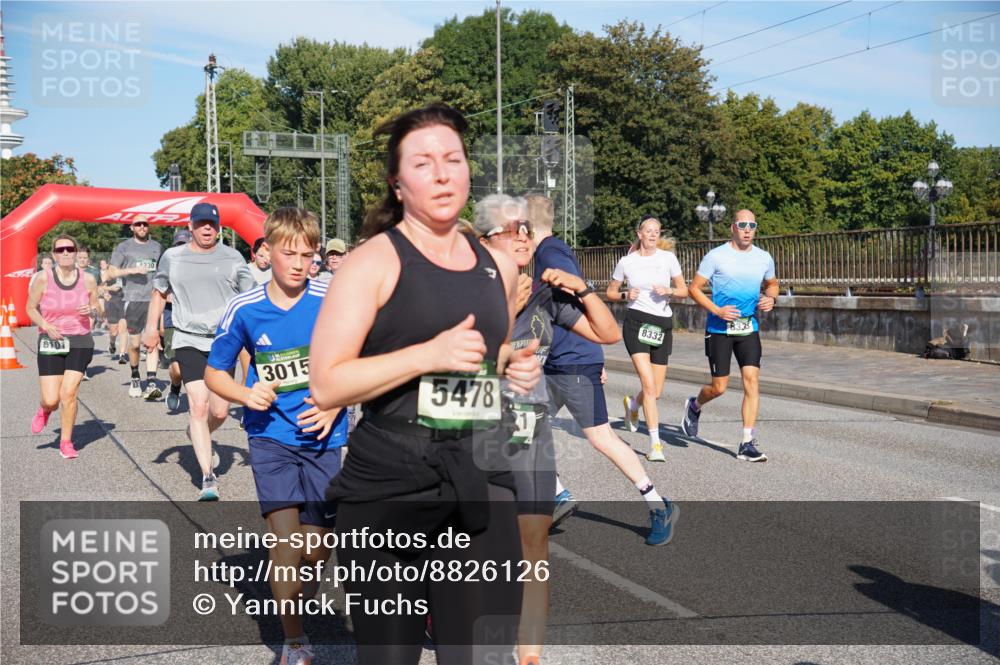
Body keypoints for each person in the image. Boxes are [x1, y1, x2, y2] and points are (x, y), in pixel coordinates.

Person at [309, 104, 540, 665]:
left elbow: (483, 355)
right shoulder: (371, 263)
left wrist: (508, 363)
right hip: (391, 482)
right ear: (397, 182)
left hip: (480, 471)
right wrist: (426, 355)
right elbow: (327, 383)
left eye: (452, 159)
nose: (441, 174)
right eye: (423, 163)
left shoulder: (500, 266)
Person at [474, 193, 621, 665]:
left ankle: (529, 657)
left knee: (534, 546)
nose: (523, 237)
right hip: (476, 433)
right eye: (511, 230)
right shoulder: (465, 293)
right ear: (484, 242)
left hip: (530, 431)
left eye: (526, 230)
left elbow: (608, 334)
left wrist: (583, 288)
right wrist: (503, 312)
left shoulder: (545, 293)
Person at [206, 207, 348, 665]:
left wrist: (335, 404)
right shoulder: (245, 308)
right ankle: (295, 641)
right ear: (267, 252)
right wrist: (245, 394)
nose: (300, 264)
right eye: (290, 254)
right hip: (270, 438)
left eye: (308, 255)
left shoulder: (332, 297)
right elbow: (214, 373)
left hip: (324, 439)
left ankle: (296, 600)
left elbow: (359, 361)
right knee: (286, 544)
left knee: (317, 550)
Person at [528, 194, 678, 545]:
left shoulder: (550, 252)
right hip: (557, 362)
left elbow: (579, 296)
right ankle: (555, 494)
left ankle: (659, 506)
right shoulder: (547, 251)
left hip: (573, 362)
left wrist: (593, 353)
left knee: (601, 438)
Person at [142, 203, 255, 500]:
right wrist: (151, 327)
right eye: (202, 223)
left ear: (219, 228)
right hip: (188, 339)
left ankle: (197, 432)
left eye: (212, 224)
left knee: (219, 411)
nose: (207, 228)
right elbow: (159, 293)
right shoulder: (173, 257)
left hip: (223, 341)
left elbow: (251, 297)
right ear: (190, 226)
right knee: (199, 407)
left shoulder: (232, 257)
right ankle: (208, 478)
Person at [682, 209, 779, 462]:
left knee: (752, 381)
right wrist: (717, 310)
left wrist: (771, 298)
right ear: (733, 228)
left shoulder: (763, 257)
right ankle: (694, 405)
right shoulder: (716, 256)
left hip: (748, 328)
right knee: (719, 387)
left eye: (752, 225)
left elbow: (772, 284)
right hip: (719, 329)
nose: (747, 230)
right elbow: (694, 289)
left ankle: (747, 443)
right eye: (742, 225)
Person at [606, 216, 688, 462]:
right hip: (636, 323)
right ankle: (655, 445)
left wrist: (670, 290)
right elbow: (610, 292)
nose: (653, 234)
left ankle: (633, 405)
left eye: (657, 231)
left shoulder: (668, 259)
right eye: (648, 231)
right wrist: (625, 295)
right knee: (649, 386)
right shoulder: (627, 262)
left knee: (656, 391)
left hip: (662, 325)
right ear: (639, 234)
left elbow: (684, 290)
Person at [25, 234, 99, 459]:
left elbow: (98, 308)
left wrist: (92, 310)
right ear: (53, 254)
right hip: (52, 338)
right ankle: (45, 409)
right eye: (60, 250)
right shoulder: (43, 278)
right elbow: (30, 308)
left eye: (69, 249)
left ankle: (66, 442)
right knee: (51, 399)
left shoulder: (88, 279)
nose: (65, 253)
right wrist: (46, 325)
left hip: (80, 340)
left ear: (76, 252)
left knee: (69, 392)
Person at [107, 215, 163, 399]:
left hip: (153, 299)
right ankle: (135, 376)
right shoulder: (124, 247)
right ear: (132, 227)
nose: (142, 227)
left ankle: (152, 382)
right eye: (138, 224)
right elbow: (110, 272)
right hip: (132, 299)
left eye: (145, 224)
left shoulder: (157, 247)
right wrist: (131, 270)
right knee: (135, 344)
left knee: (152, 340)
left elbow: (163, 271)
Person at [162, 229, 192, 412]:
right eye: (179, 245)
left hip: (196, 322)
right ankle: (175, 388)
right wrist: (169, 297)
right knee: (177, 369)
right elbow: (158, 292)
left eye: (185, 245)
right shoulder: (168, 265)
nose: (182, 249)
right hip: (172, 320)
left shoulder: (202, 265)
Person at [100, 259, 128, 363]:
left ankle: (122, 355)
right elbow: (100, 287)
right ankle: (112, 343)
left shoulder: (127, 272)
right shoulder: (107, 273)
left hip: (124, 301)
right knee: (114, 331)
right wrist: (109, 289)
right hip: (112, 301)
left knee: (123, 329)